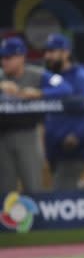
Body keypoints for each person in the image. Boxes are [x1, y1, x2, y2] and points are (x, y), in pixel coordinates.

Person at [0, 37, 72, 193]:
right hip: (2, 138)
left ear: (21, 57)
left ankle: (36, 217)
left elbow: (65, 88)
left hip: (28, 135)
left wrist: (39, 93)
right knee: (5, 189)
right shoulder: (1, 77)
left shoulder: (38, 74)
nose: (4, 62)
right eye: (2, 58)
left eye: (8, 58)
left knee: (33, 186)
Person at [43, 34, 84, 190]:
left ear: (66, 53)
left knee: (61, 198)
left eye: (52, 51)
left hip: (74, 152)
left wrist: (77, 135)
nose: (47, 56)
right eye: (46, 51)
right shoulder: (52, 79)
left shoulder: (81, 78)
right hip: (55, 153)